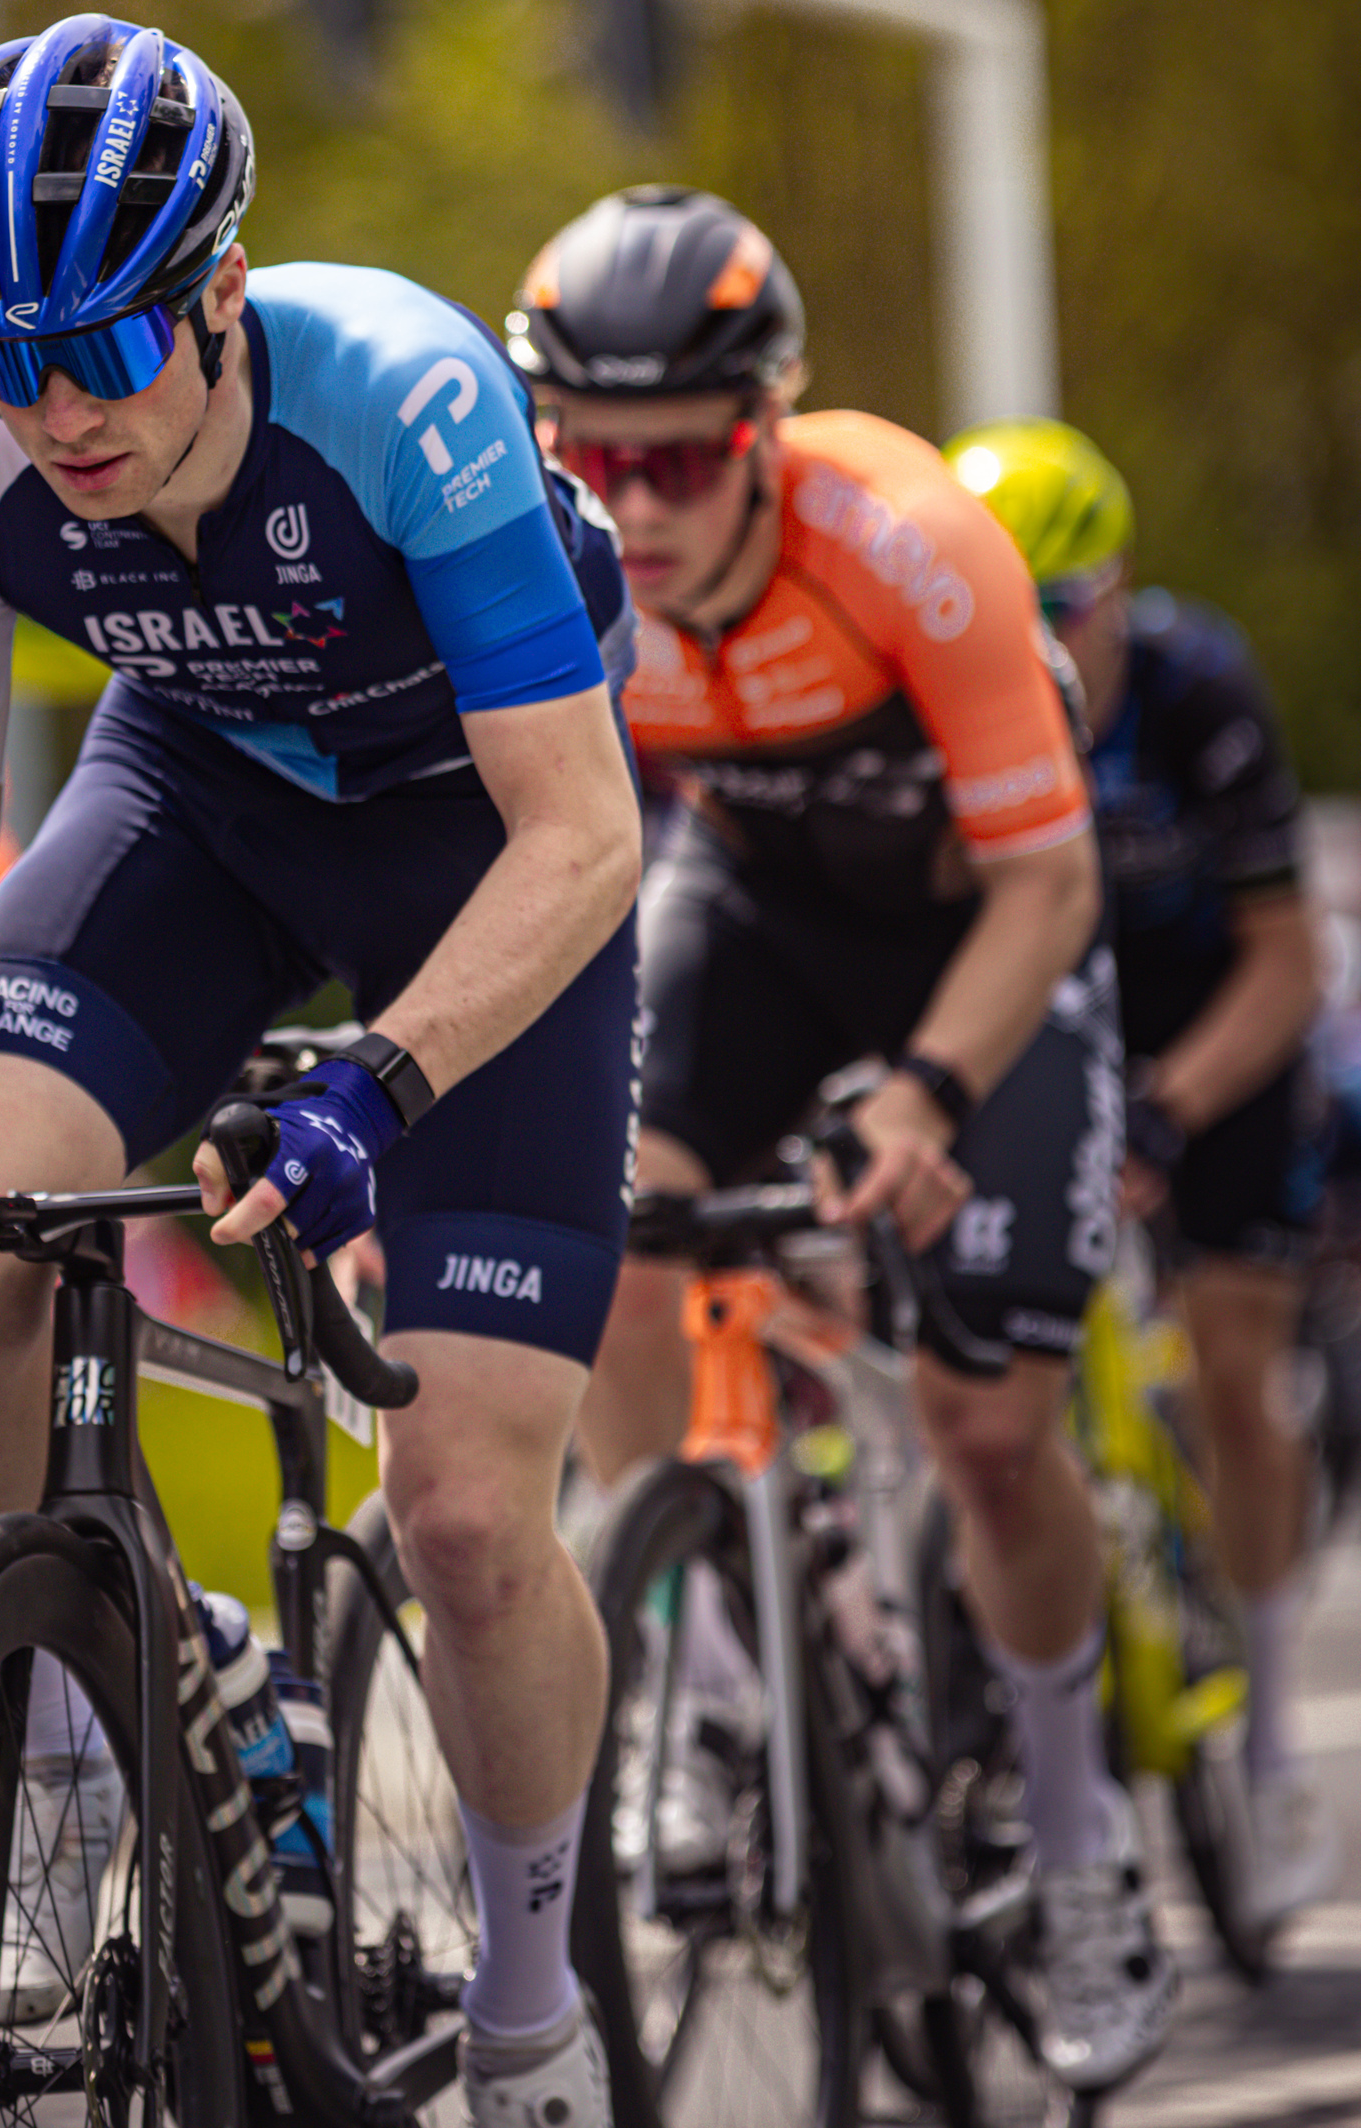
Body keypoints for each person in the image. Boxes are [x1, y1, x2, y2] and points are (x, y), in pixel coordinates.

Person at [0, 11, 644, 2128]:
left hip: (480, 824)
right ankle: (60, 1755)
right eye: (6, 355)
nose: (54, 407)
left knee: (456, 1511)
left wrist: (382, 1080)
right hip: (198, 805)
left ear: (218, 296)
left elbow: (583, 835)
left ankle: (534, 2010)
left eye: (98, 347)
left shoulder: (402, 393)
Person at [508, 184, 1174, 2097]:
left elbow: (1051, 887)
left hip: (980, 937)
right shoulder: (542, 555)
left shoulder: (906, 538)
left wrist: (937, 1092)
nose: (631, 504)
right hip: (761, 909)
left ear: (767, 428)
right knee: (608, 1230)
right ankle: (719, 1703)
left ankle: (1073, 1840)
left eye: (679, 459)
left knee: (984, 1424)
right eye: (588, 452)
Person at [945, 415, 1337, 1928]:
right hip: (1044, 1020)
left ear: (1117, 595)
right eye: (1003, 611)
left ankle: (1273, 1710)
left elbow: (1291, 959)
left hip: (1212, 1026)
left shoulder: (1195, 687)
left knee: (1240, 1361)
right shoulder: (943, 692)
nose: (1038, 644)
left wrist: (1168, 1108)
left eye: (1064, 611)